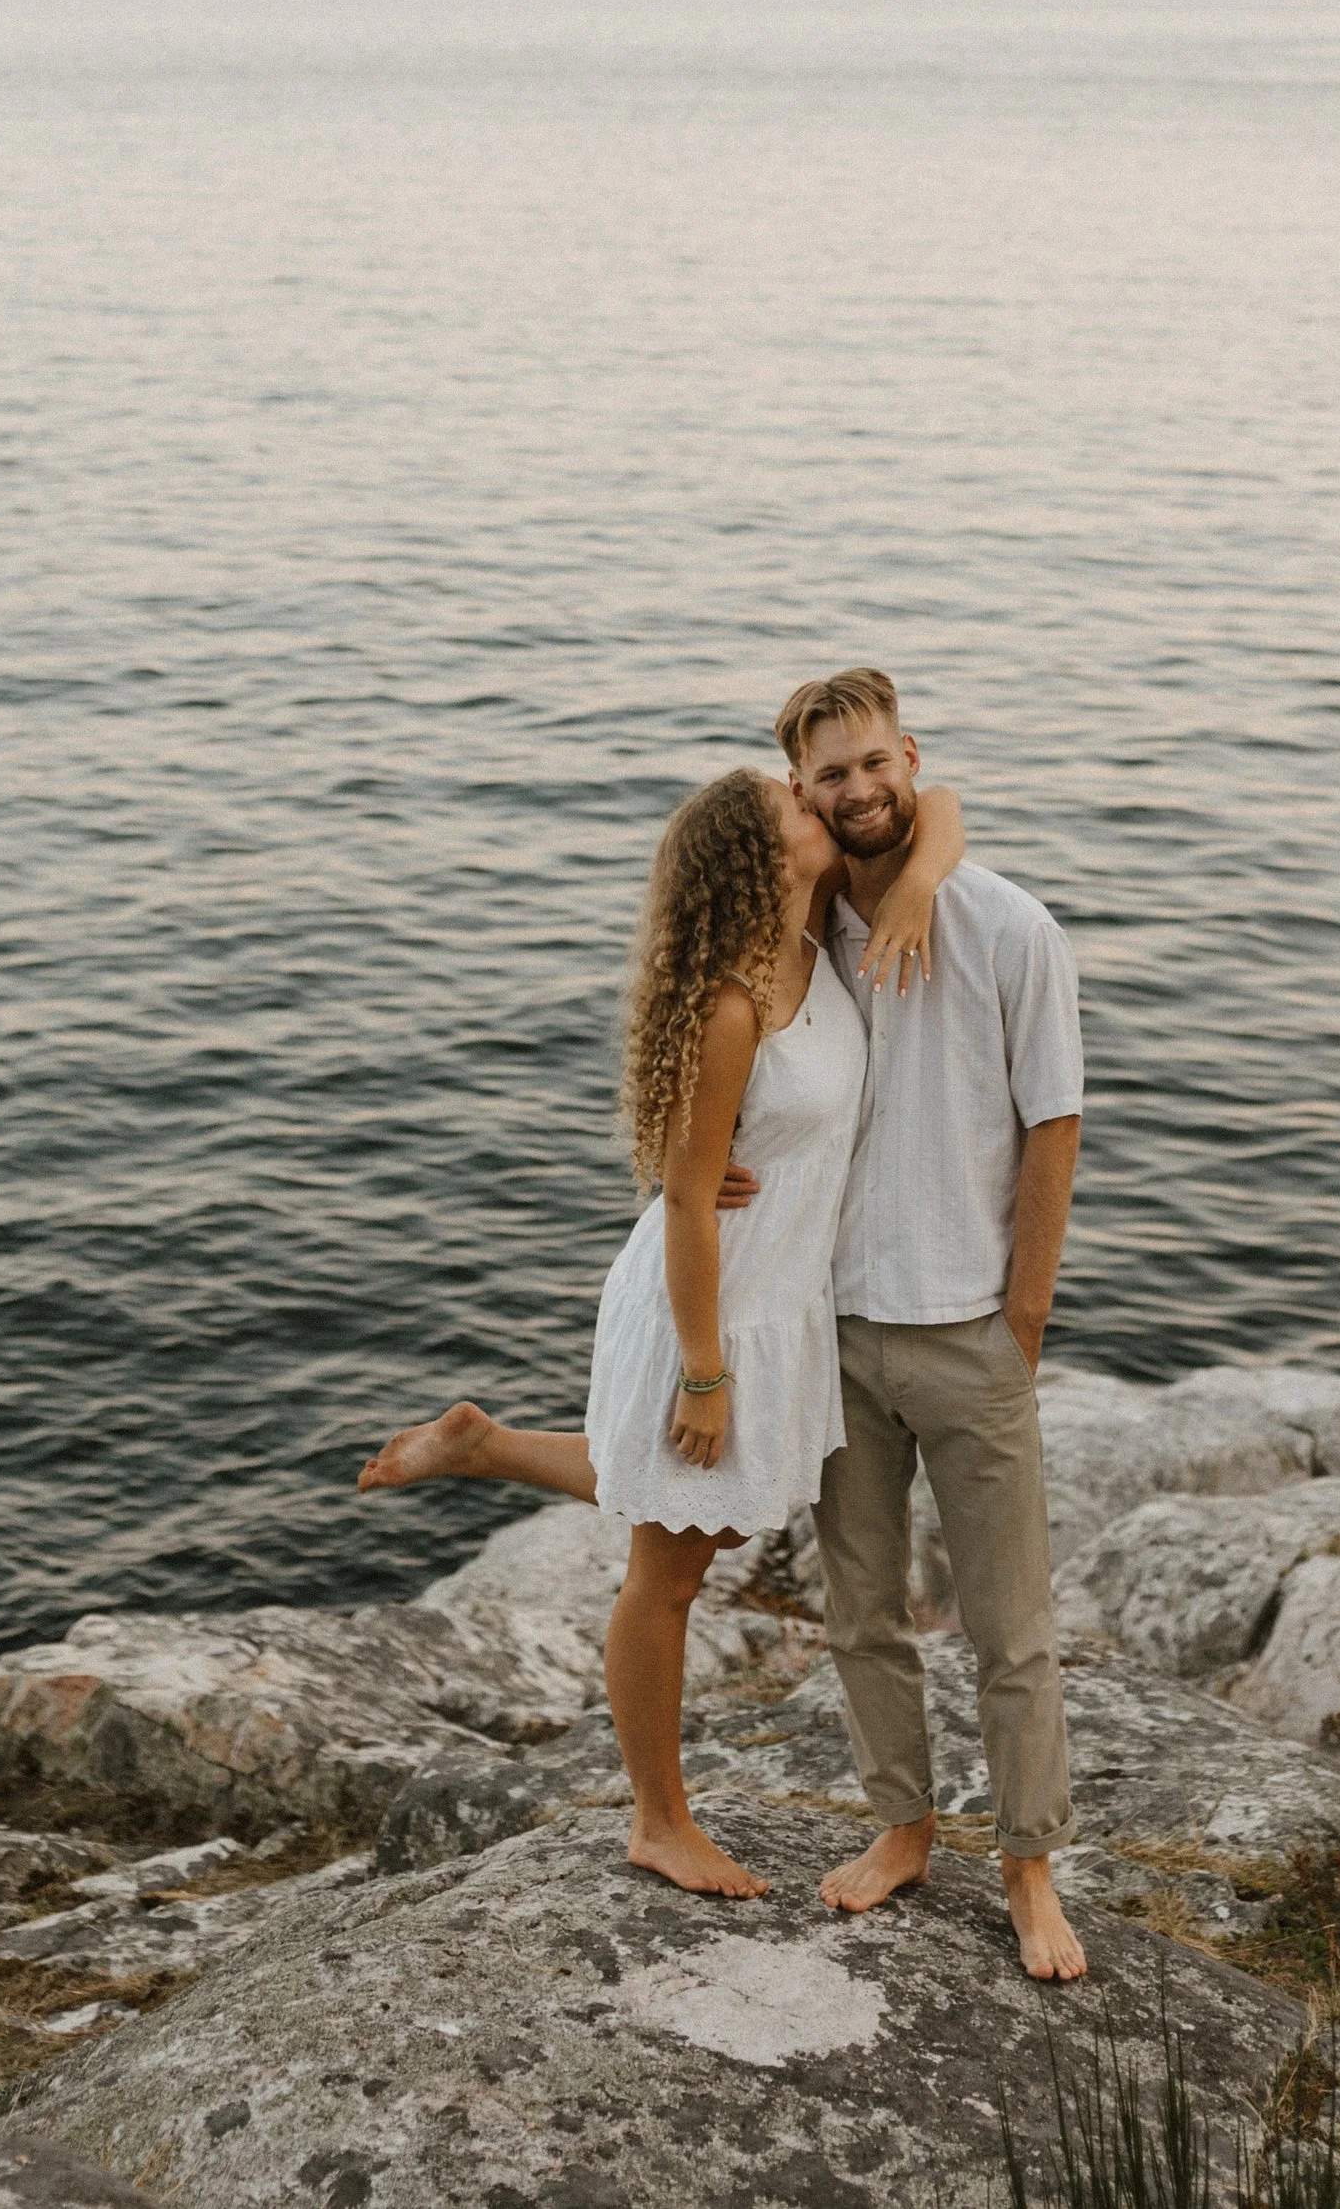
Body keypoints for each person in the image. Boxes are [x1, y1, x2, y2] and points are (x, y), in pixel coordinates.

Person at [355, 763, 964, 1901]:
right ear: (760, 855)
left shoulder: (815, 934)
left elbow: (946, 807)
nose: (812, 799)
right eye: (792, 804)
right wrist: (703, 1373)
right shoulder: (734, 999)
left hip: (772, 1297)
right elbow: (687, 1200)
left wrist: (922, 880)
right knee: (667, 1576)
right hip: (711, 1305)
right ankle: (657, 1822)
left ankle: (484, 1446)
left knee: (715, 1522)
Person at [754, 667, 1087, 1983]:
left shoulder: (1009, 927)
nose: (860, 790)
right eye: (831, 773)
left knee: (1012, 1627)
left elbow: (1054, 1123)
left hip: (967, 1331)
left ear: (910, 760)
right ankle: (903, 1827)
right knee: (860, 1612)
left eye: (877, 763)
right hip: (837, 1332)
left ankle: (1030, 1866)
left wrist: (1026, 1311)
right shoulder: (799, 931)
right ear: (803, 789)